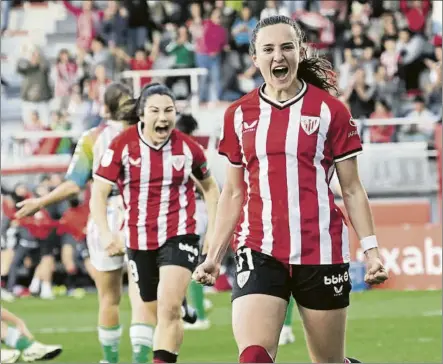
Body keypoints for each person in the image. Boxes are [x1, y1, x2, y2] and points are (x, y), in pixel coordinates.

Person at [193, 15, 388, 364]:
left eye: (286, 47)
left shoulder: (331, 111)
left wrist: (372, 251)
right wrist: (213, 256)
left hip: (321, 250)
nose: (278, 56)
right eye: (268, 49)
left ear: (300, 51)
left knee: (328, 361)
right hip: (259, 248)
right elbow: (233, 193)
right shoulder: (238, 115)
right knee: (253, 357)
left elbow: (353, 190)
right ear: (255, 58)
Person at [15, 83, 156, 363]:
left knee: (108, 297)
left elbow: (73, 185)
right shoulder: (148, 134)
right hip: (142, 217)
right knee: (143, 297)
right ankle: (141, 360)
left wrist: (40, 202)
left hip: (104, 217)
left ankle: (110, 359)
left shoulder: (93, 138)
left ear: (105, 109)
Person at [90, 83, 220, 364]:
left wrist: (212, 233)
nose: (163, 117)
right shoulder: (122, 145)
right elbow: (98, 192)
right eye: (155, 111)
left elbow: (211, 188)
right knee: (152, 306)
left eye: (169, 111)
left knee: (169, 309)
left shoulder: (188, 149)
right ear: (141, 115)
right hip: (138, 239)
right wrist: (105, 232)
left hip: (180, 233)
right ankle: (177, 304)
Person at [175, 114, 212, 330]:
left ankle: (198, 314)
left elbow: (201, 182)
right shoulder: (197, 149)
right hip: (200, 209)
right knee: (192, 261)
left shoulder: (186, 150)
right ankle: (197, 305)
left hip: (193, 210)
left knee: (191, 262)